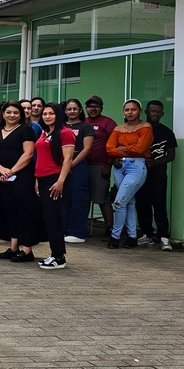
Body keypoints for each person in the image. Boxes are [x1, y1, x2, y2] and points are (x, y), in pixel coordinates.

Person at [0, 102, 40, 262]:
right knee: (9, 211)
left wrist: (12, 171)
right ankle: (14, 247)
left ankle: (27, 250)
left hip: (22, 177)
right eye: (8, 112)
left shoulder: (26, 130)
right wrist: (2, 170)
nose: (12, 115)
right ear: (2, 113)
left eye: (16, 112)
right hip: (2, 178)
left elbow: (28, 154)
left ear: (21, 115)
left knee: (24, 212)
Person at [106, 99, 153, 249]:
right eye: (127, 110)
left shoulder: (146, 127)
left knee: (119, 202)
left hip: (136, 166)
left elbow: (141, 149)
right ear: (123, 112)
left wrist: (121, 148)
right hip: (119, 166)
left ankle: (115, 236)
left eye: (133, 109)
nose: (130, 112)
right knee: (129, 202)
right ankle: (132, 236)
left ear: (140, 111)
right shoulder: (119, 128)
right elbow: (109, 147)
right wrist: (125, 149)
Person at [34, 103, 76, 269]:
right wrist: (37, 179)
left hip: (55, 178)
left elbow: (68, 160)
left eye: (51, 113)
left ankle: (59, 257)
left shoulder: (65, 133)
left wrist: (60, 181)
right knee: (47, 217)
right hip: (42, 178)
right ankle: (55, 254)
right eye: (45, 114)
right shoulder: (45, 132)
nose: (47, 116)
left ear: (58, 115)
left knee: (53, 218)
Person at [136, 99, 176, 250]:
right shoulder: (138, 129)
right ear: (146, 112)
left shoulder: (167, 132)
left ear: (162, 114)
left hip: (158, 175)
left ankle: (163, 236)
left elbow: (171, 155)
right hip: (140, 173)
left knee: (159, 205)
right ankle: (146, 234)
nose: (155, 114)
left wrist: (155, 162)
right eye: (153, 111)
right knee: (142, 204)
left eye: (159, 112)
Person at [61, 99, 95, 244]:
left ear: (80, 110)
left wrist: (71, 164)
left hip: (78, 166)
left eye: (75, 108)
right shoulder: (60, 126)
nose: (72, 111)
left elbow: (87, 149)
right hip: (61, 166)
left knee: (78, 199)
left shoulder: (85, 127)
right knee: (62, 199)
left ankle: (77, 232)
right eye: (69, 109)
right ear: (65, 111)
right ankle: (63, 230)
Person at [84, 95, 118, 234]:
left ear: (101, 108)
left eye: (96, 107)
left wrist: (108, 165)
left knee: (103, 197)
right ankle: (81, 225)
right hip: (83, 165)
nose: (93, 109)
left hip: (101, 166)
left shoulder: (108, 122)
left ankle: (110, 227)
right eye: (90, 107)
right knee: (84, 197)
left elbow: (114, 144)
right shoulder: (83, 122)